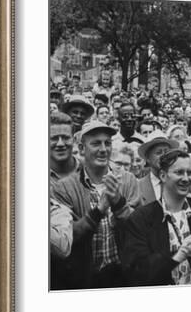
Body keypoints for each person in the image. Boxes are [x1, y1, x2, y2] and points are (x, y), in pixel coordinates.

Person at [52, 121, 140, 289]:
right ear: (82, 148)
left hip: (124, 276)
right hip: (84, 280)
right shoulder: (63, 187)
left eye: (107, 143)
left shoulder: (128, 180)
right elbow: (67, 239)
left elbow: (139, 229)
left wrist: (119, 204)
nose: (103, 149)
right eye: (95, 143)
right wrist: (99, 210)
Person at [121, 150, 191, 286]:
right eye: (179, 172)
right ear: (163, 176)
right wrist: (177, 256)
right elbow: (137, 272)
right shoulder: (141, 218)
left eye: (189, 172)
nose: (186, 178)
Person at [138, 130, 180, 206]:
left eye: (167, 152)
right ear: (148, 158)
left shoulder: (179, 182)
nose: (164, 156)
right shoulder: (138, 186)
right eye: (158, 152)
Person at [50, 112, 80, 189]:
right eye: (54, 138)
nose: (60, 144)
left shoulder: (89, 170)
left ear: (74, 140)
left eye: (65, 138)